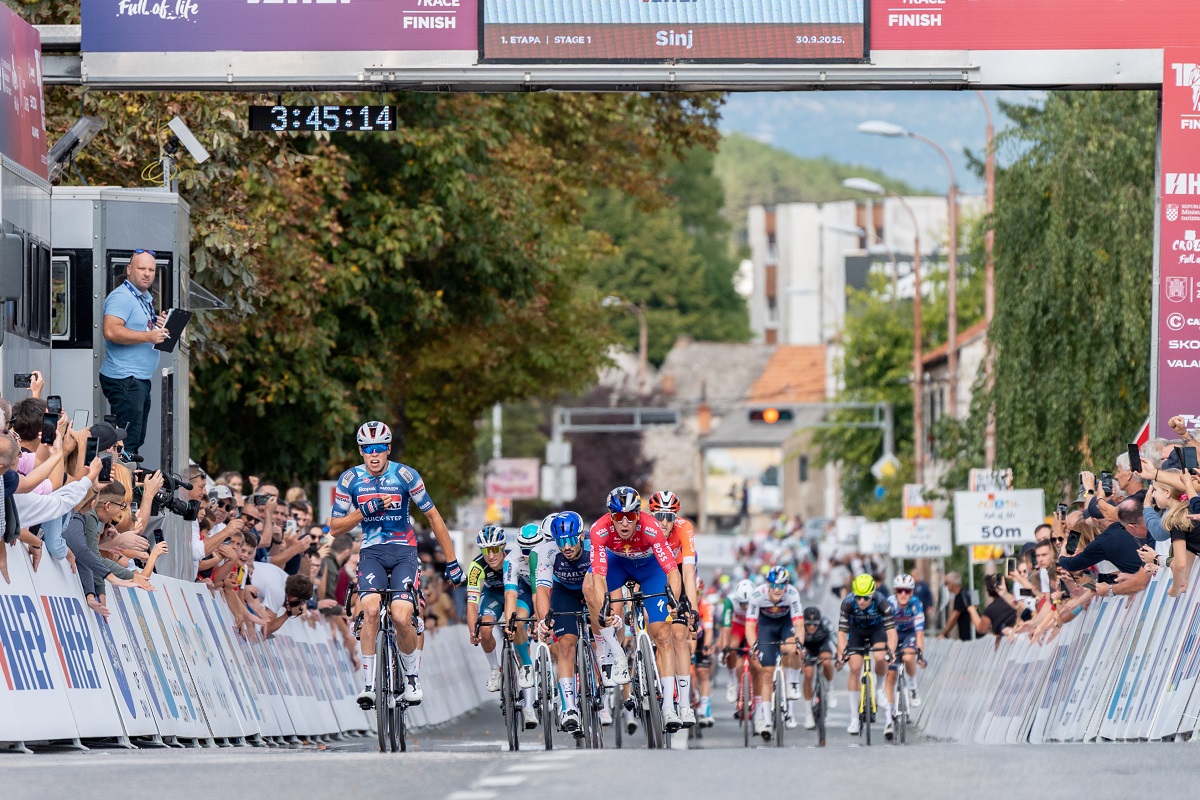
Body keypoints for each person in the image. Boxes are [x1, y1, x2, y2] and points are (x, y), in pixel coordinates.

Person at [329, 420, 464, 710]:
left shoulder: (405, 475)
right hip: (371, 553)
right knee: (371, 609)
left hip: (404, 552)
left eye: (379, 449)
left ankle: (412, 678)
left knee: (402, 617)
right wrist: (366, 509)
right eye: (367, 449)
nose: (374, 455)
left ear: (388, 449)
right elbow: (335, 528)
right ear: (361, 451)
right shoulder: (350, 480)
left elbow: (434, 518)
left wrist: (451, 560)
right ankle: (368, 686)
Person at [583, 485, 683, 732]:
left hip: (650, 570)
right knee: (589, 586)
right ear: (611, 516)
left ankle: (669, 707)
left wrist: (674, 603)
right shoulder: (599, 529)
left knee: (662, 634)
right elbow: (598, 575)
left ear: (638, 514)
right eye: (618, 517)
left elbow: (671, 569)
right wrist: (603, 607)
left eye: (630, 516)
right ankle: (615, 652)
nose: (625, 523)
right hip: (619, 564)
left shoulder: (651, 527)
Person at [100, 250, 169, 456]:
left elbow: (136, 325)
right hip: (125, 378)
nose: (147, 274)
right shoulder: (121, 296)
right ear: (129, 269)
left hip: (138, 379)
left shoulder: (144, 297)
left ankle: (130, 482)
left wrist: (156, 324)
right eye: (141, 269)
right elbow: (111, 331)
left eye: (151, 270)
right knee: (126, 444)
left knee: (135, 440)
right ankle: (123, 485)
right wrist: (148, 337)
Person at [532, 511, 592, 734]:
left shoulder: (594, 546)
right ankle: (569, 708)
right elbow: (541, 590)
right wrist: (545, 621)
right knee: (566, 644)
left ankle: (606, 660)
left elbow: (611, 583)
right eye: (560, 541)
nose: (565, 547)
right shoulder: (546, 552)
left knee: (600, 626)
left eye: (569, 540)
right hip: (564, 593)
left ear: (580, 536)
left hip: (592, 587)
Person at [649, 489, 700, 727]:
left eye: (669, 516)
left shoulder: (684, 528)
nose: (664, 522)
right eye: (659, 516)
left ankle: (684, 705)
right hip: (651, 572)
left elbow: (689, 572)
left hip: (677, 571)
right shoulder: (645, 528)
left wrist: (692, 609)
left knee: (679, 634)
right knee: (659, 631)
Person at [743, 565, 805, 736]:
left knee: (792, 648)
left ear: (786, 586)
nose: (778, 590)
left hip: (786, 625)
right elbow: (749, 626)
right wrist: (753, 646)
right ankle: (767, 722)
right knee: (767, 674)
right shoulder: (757, 595)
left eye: (781, 586)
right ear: (768, 585)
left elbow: (799, 624)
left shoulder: (792, 594)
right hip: (766, 628)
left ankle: (792, 683)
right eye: (774, 586)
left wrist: (800, 644)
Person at [836, 573, 897, 735]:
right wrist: (842, 652)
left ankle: (879, 688)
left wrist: (890, 651)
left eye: (866, 598)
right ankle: (854, 718)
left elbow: (891, 633)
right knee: (855, 668)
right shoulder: (848, 603)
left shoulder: (882, 602)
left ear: (873, 594)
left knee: (880, 657)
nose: (861, 601)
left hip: (876, 630)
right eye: (858, 597)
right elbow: (841, 633)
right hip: (856, 632)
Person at [503, 522, 544, 730]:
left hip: (550, 588)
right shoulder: (512, 559)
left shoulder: (549, 552)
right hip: (526, 592)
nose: (529, 554)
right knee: (518, 622)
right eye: (525, 550)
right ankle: (527, 665)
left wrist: (540, 616)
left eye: (534, 549)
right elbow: (510, 592)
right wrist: (511, 621)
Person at [883, 573, 925, 741]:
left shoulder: (916, 605)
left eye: (907, 591)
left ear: (912, 592)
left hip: (909, 634)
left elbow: (920, 633)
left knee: (908, 657)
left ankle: (913, 689)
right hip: (892, 634)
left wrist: (920, 654)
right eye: (900, 591)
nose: (903, 595)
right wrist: (888, 653)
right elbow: (885, 632)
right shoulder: (889, 604)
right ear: (895, 591)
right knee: (890, 675)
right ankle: (888, 721)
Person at [466, 525, 508, 693]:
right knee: (484, 628)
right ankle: (494, 669)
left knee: (520, 628)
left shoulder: (513, 559)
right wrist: (472, 630)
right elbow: (472, 603)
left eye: (495, 549)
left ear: (503, 547)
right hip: (493, 595)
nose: (490, 556)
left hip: (515, 593)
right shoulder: (476, 567)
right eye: (485, 551)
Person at [719, 579, 757, 708]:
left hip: (753, 625)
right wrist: (725, 648)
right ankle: (732, 682)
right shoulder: (730, 601)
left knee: (757, 653)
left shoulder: (758, 598)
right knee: (732, 647)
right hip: (738, 626)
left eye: (748, 603)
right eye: (742, 603)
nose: (745, 607)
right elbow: (726, 627)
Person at [799, 606, 837, 730]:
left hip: (822, 644)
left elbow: (836, 640)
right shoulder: (798, 625)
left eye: (815, 624)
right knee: (808, 674)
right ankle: (808, 714)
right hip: (807, 647)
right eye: (808, 624)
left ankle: (830, 689)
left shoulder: (826, 624)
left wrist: (841, 655)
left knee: (826, 662)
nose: (811, 627)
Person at [938, 572, 972, 641]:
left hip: (969, 637)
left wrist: (943, 634)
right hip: (967, 636)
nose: (946, 586)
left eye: (946, 584)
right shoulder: (963, 594)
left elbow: (954, 618)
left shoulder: (961, 597)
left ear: (951, 584)